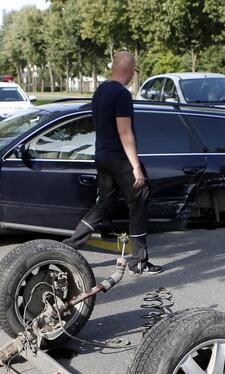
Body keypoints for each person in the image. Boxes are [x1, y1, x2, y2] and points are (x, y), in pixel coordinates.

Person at [63, 52, 162, 276]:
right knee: (139, 199)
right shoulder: (121, 94)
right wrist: (136, 166)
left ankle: (69, 246)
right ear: (128, 69)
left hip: (102, 157)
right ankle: (139, 261)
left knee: (105, 205)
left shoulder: (100, 91)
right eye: (134, 70)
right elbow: (124, 131)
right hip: (120, 158)